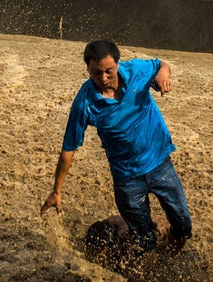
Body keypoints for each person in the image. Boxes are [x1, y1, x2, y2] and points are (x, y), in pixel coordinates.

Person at [40, 40, 192, 255]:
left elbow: (161, 64)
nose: (103, 78)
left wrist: (163, 75)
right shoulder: (85, 102)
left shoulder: (137, 71)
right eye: (96, 72)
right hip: (127, 179)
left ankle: (170, 258)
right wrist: (56, 190)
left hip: (159, 165)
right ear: (87, 69)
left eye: (108, 71)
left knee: (183, 226)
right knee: (144, 239)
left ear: (118, 65)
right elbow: (69, 148)